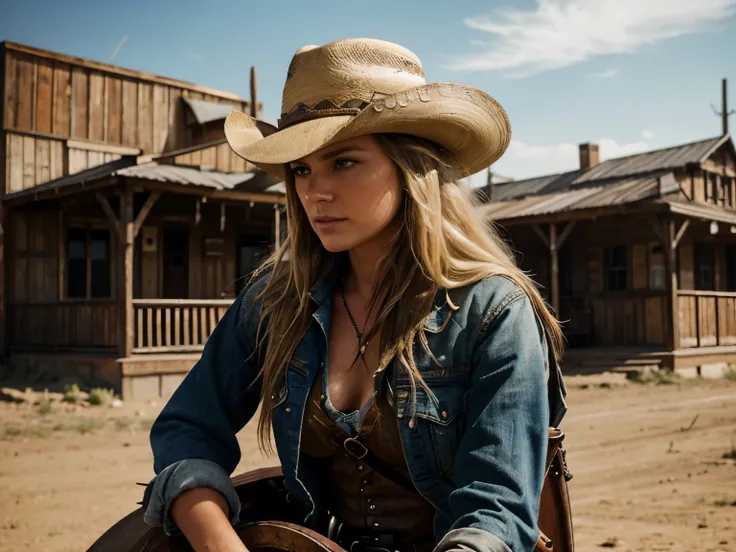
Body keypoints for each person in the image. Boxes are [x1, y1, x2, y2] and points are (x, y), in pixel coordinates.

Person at [141, 38, 567, 552]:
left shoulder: (494, 312)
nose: (315, 191)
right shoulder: (277, 303)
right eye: (301, 169)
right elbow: (187, 426)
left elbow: (496, 508)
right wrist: (219, 543)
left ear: (411, 168)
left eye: (343, 162)